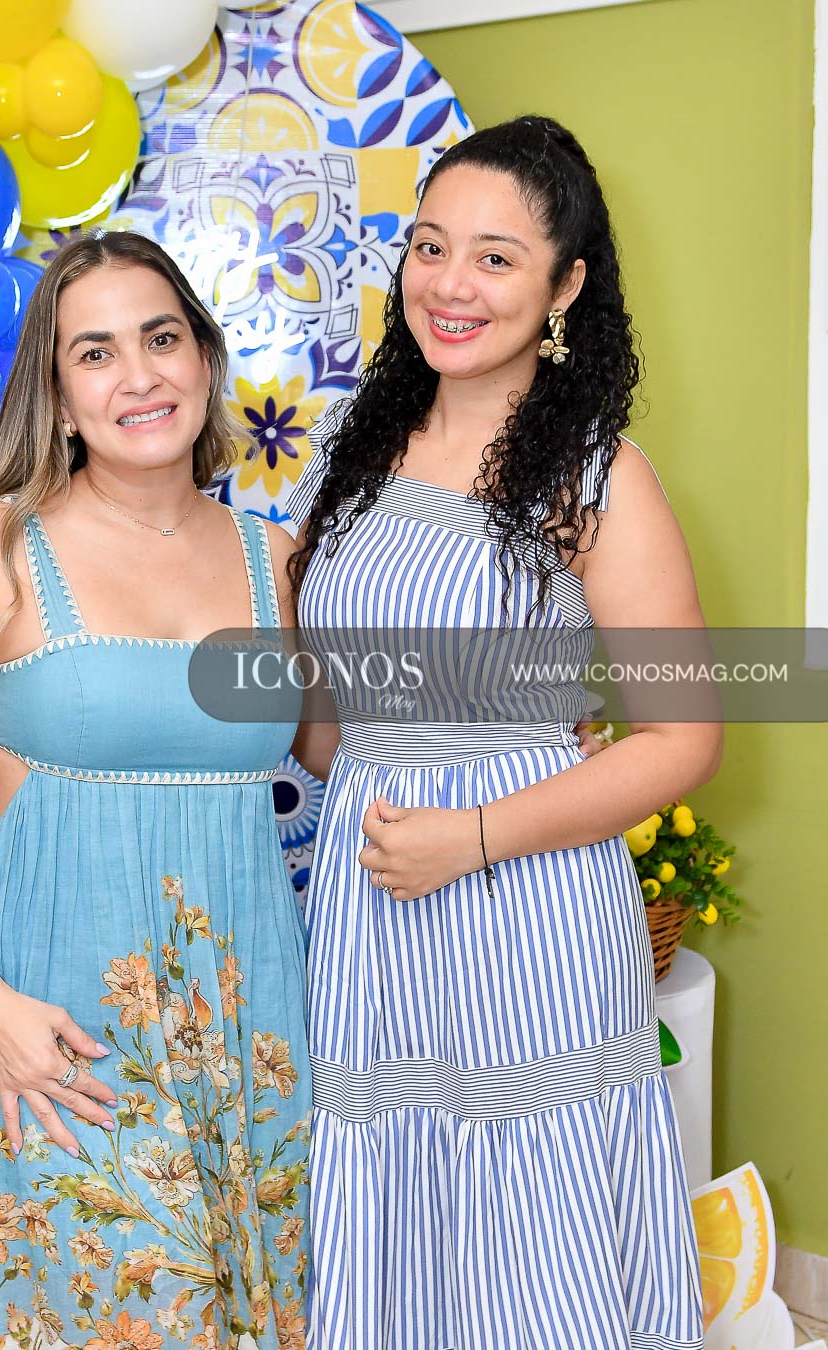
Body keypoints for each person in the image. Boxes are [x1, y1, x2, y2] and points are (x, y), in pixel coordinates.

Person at [288, 116, 715, 1350]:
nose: (450, 285)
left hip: (524, 899)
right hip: (375, 907)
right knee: (402, 1204)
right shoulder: (350, 454)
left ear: (564, 286)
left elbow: (682, 740)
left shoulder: (597, 477)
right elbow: (325, 721)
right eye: (430, 248)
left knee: (533, 1227)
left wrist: (469, 833)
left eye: (496, 257)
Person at [0, 231, 310, 1350]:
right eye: (96, 354)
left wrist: (528, 721)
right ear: (60, 398)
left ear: (204, 358)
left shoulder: (276, 558)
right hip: (60, 1029)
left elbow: (350, 751)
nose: (139, 377)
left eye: (161, 339)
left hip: (249, 1024)